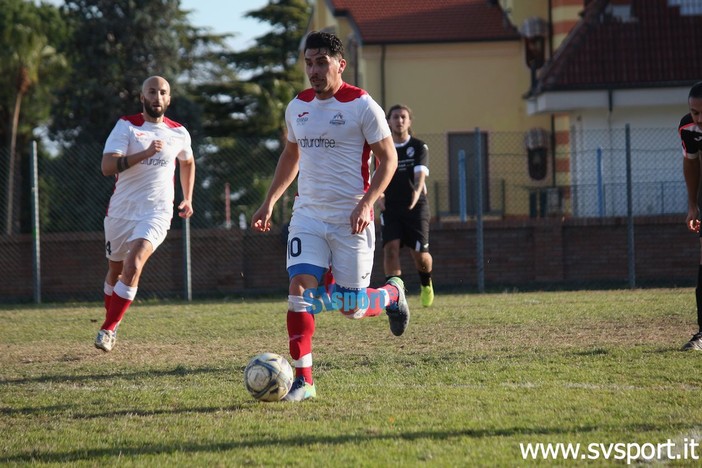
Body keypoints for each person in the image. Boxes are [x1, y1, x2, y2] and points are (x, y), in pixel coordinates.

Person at [251, 31, 410, 401]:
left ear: (341, 64)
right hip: (307, 215)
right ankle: (304, 382)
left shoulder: (362, 105)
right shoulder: (297, 107)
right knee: (299, 292)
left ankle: (391, 294)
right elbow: (291, 156)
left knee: (351, 308)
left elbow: (390, 160)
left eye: (322, 62)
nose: (314, 71)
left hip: (351, 217)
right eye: (309, 62)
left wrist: (368, 202)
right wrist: (270, 201)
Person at [95, 75, 196, 352]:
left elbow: (187, 162)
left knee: (135, 262)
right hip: (121, 212)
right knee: (115, 271)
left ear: (169, 99)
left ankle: (108, 328)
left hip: (157, 213)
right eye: (152, 92)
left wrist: (187, 197)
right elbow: (107, 166)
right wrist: (145, 153)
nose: (157, 97)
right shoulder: (126, 126)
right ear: (143, 97)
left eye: (163, 92)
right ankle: (111, 320)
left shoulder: (179, 132)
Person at [378, 104, 435, 307]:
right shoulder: (382, 148)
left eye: (403, 117)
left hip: (415, 207)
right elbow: (373, 174)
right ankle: (395, 297)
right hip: (390, 207)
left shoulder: (419, 147)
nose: (399, 121)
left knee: (420, 255)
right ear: (389, 121)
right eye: (395, 117)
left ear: (409, 121)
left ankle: (426, 284)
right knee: (391, 249)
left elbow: (420, 176)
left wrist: (416, 193)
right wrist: (378, 197)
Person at [681, 80, 702, 350]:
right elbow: (691, 163)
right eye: (694, 112)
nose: (698, 118)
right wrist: (693, 205)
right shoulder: (689, 128)